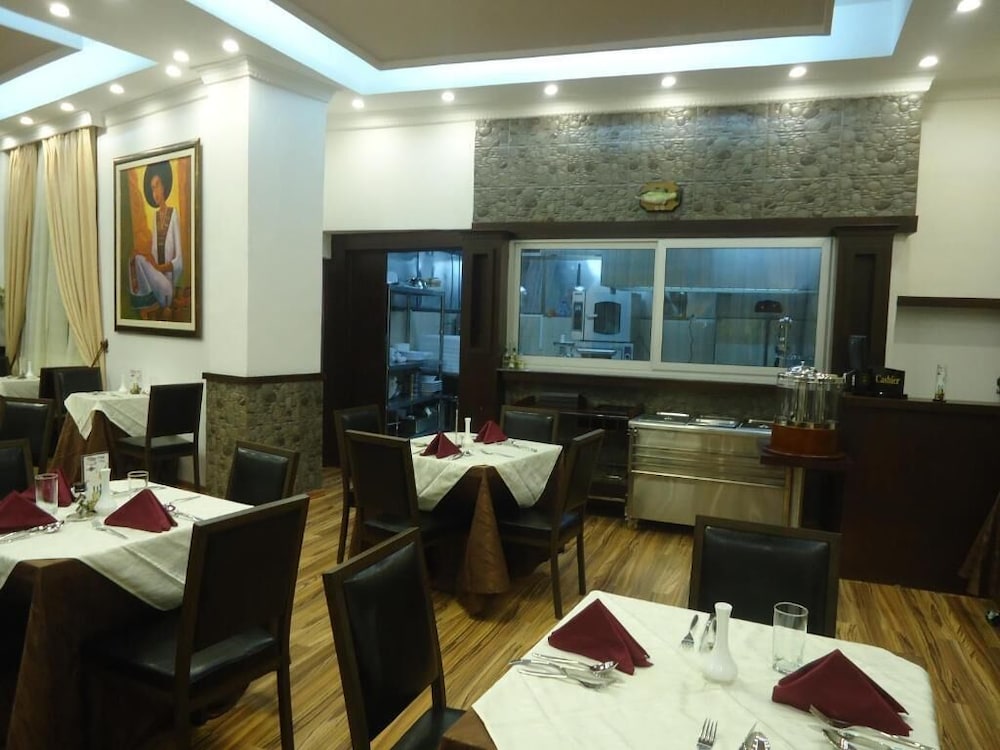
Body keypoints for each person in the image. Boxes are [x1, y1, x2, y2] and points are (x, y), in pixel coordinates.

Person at [129, 161, 182, 319]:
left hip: (166, 287)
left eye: (157, 186)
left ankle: (155, 304)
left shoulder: (174, 214)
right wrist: (146, 257)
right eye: (152, 188)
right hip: (155, 280)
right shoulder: (155, 217)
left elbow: (179, 262)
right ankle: (147, 304)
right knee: (137, 259)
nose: (155, 192)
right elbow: (153, 253)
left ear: (164, 186)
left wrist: (159, 268)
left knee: (142, 261)